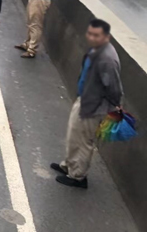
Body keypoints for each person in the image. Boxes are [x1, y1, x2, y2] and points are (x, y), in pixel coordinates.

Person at [51, 18, 122, 189]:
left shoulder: (107, 59)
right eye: (90, 33)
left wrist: (114, 107)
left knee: (84, 140)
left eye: (96, 35)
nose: (92, 37)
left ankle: (78, 177)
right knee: (73, 135)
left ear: (107, 37)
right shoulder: (97, 50)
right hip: (85, 99)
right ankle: (69, 165)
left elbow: (113, 87)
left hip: (94, 106)